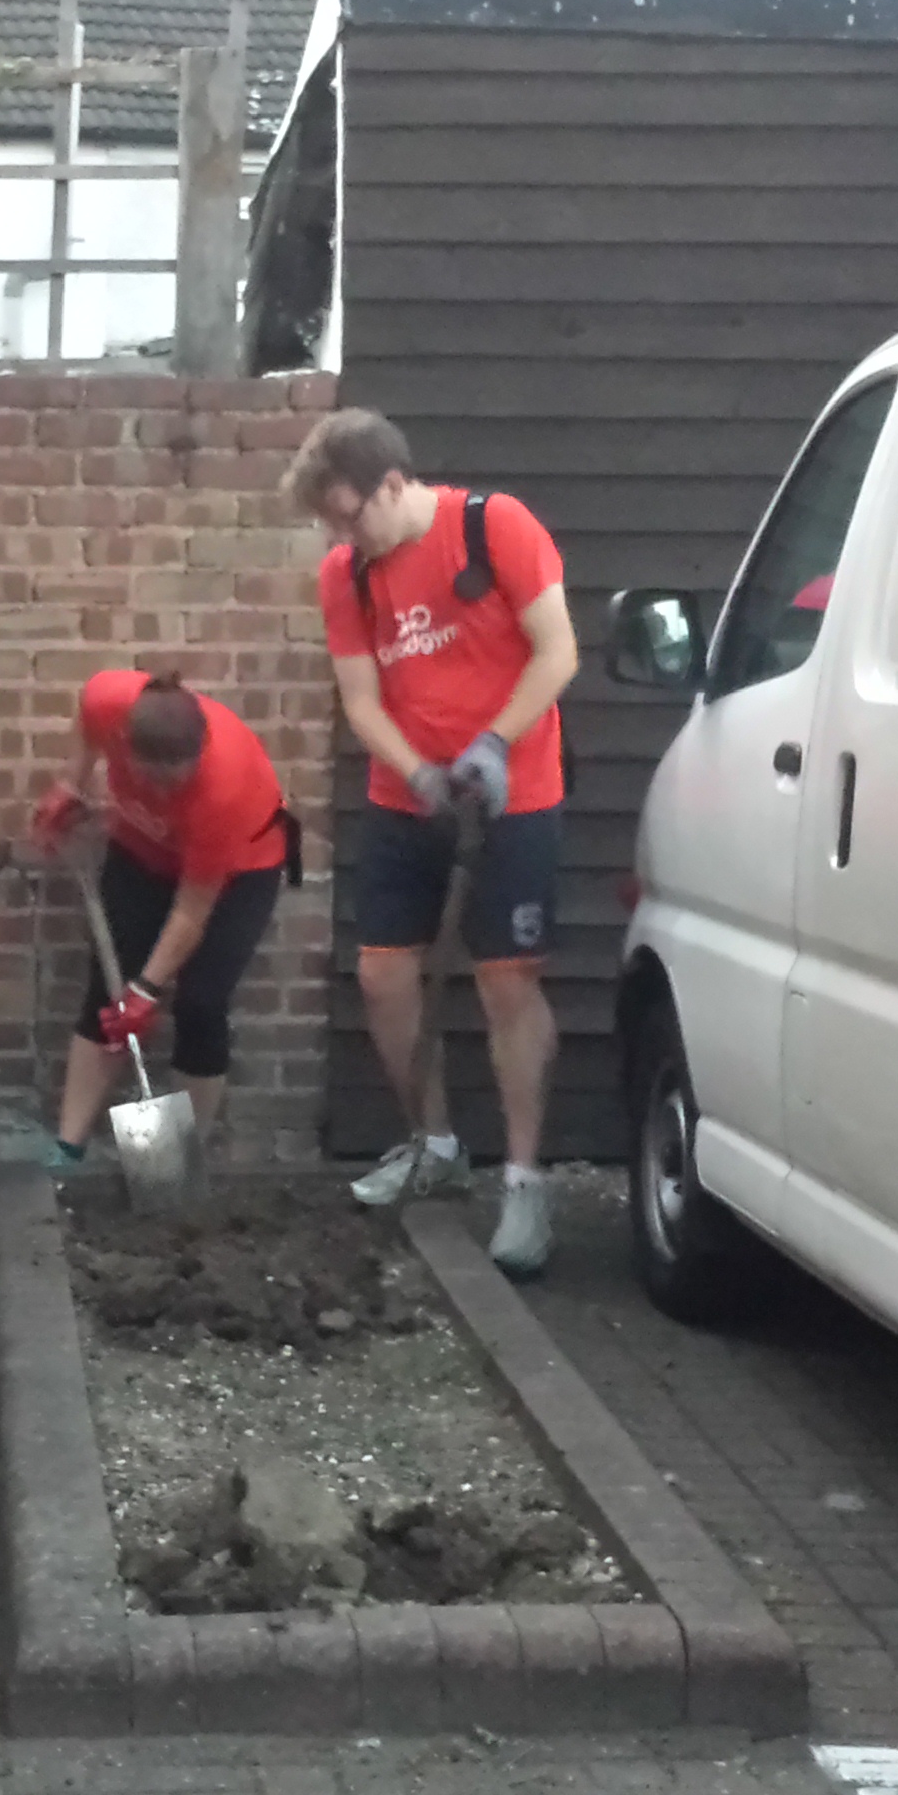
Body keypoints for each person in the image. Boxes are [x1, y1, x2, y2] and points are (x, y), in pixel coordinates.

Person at [293, 408, 582, 1277]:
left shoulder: (495, 528)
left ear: (391, 483)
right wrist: (420, 775)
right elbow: (361, 700)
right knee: (384, 974)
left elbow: (558, 652)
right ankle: (434, 1143)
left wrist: (494, 744)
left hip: (517, 794)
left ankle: (525, 1181)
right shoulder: (347, 575)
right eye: (330, 523)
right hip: (407, 797)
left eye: (350, 513)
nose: (343, 535)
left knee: (506, 983)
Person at [23, 669, 297, 1168]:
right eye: (158, 779)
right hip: (142, 853)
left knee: (200, 1002)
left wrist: (147, 991)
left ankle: (179, 1163)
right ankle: (67, 1149)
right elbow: (86, 725)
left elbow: (192, 909)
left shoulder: (223, 787)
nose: (170, 792)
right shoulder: (109, 701)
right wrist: (70, 782)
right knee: (108, 991)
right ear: (126, 746)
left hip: (241, 870)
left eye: (181, 780)